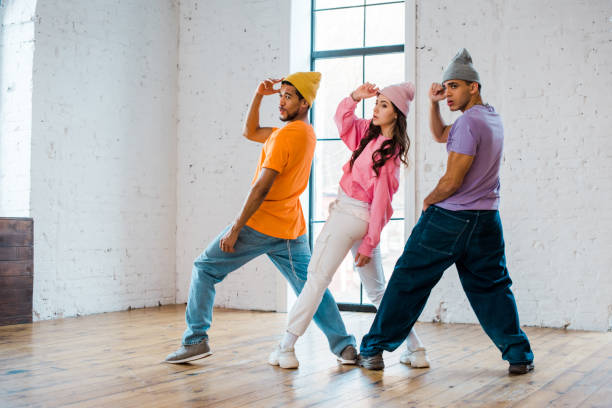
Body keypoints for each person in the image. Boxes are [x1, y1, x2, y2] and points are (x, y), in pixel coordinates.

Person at [358, 49, 534, 375]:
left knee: (406, 281)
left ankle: (373, 349)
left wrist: (428, 200)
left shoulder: (468, 123)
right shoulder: (490, 117)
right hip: (486, 220)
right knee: (493, 288)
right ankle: (519, 356)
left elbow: (452, 180)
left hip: (450, 219)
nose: (448, 93)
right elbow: (441, 135)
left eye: (454, 87)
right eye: (445, 86)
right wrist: (433, 103)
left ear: (474, 87)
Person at [164, 72, 358, 364]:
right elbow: (251, 131)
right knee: (311, 286)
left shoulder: (286, 137)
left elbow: (260, 187)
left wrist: (235, 229)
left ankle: (195, 339)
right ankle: (344, 346)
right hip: (290, 228)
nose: (281, 102)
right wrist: (258, 95)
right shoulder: (304, 132)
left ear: (305, 103)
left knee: (204, 268)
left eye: (288, 97)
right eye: (281, 95)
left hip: (259, 224)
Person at [269, 82, 429, 369]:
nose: (376, 108)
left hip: (350, 219)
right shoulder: (371, 136)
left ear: (397, 114)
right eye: (376, 102)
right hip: (359, 220)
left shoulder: (387, 152)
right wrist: (356, 97)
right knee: (378, 291)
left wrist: (369, 242)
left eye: (383, 105)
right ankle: (415, 349)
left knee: (316, 278)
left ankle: (286, 348)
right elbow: (343, 122)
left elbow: (382, 202)